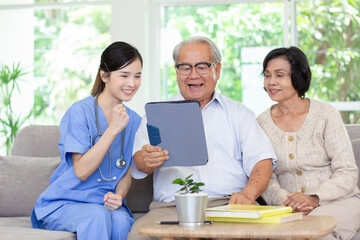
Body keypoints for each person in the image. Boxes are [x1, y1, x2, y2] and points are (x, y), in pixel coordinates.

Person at [128, 36, 277, 239]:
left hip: (227, 206)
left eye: (202, 66)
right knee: (139, 235)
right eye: (185, 67)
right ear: (176, 71)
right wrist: (145, 160)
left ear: (217, 69)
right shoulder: (156, 114)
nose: (193, 75)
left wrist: (248, 195)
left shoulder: (239, 114)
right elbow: (138, 163)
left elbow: (263, 161)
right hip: (171, 208)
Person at [31, 41, 143, 240]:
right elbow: (81, 171)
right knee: (96, 216)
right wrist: (113, 129)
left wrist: (120, 195)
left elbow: (127, 171)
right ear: (104, 75)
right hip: (65, 202)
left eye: (137, 76)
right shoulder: (79, 112)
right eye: (124, 75)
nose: (132, 83)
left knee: (121, 221)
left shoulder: (134, 121)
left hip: (104, 203)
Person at [257, 46, 360, 239]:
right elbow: (265, 177)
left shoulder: (325, 114)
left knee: (315, 235)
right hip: (287, 209)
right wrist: (288, 203)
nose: (271, 82)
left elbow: (347, 171)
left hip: (337, 202)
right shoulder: (262, 122)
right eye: (267, 75)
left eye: (280, 75)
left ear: (298, 76)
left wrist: (314, 198)